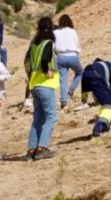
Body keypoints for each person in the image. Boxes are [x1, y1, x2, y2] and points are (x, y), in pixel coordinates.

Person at [22, 17, 58, 160]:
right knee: (51, 117)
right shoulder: (48, 43)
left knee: (38, 118)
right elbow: (45, 59)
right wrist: (46, 71)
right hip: (45, 84)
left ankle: (31, 150)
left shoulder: (34, 44)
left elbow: (27, 63)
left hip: (34, 84)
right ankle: (42, 148)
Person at [54, 14, 84, 109]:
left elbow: (54, 46)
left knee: (63, 80)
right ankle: (71, 90)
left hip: (60, 57)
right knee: (80, 73)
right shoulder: (73, 31)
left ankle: (64, 101)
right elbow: (77, 44)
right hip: (72, 56)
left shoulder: (56, 32)